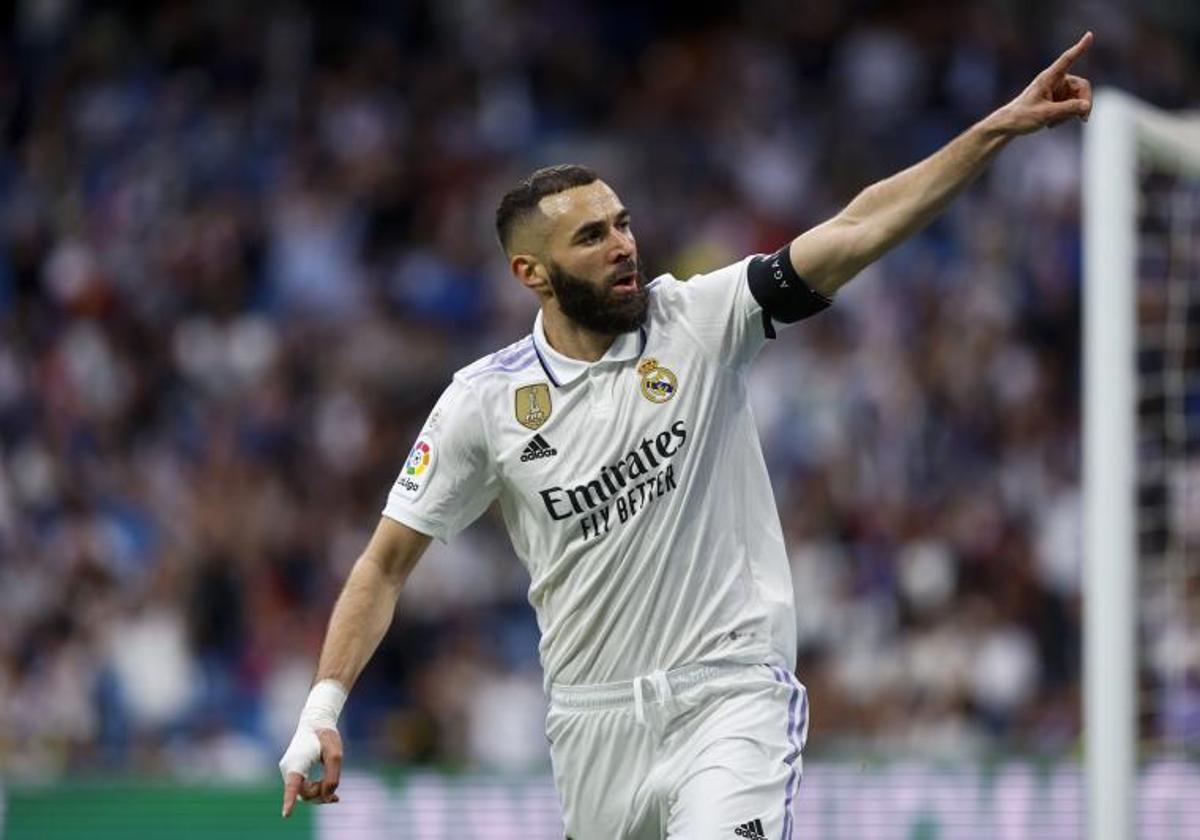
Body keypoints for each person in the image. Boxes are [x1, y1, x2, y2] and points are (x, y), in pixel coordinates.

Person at [279, 32, 1094, 839]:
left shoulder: (700, 318)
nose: (624, 244)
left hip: (728, 694)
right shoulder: (481, 405)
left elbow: (855, 227)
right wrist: (323, 707)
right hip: (592, 728)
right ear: (532, 274)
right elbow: (384, 564)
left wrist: (995, 129)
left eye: (622, 223)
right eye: (591, 237)